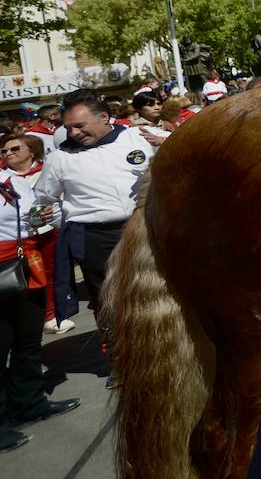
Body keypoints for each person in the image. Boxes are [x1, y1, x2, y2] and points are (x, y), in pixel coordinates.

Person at [33, 91, 156, 325]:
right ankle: (117, 353)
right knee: (112, 304)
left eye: (79, 125)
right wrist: (39, 223)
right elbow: (40, 203)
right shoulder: (59, 158)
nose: (73, 133)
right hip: (95, 240)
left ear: (104, 117)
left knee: (159, 291)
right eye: (67, 128)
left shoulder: (139, 137)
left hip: (146, 228)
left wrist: (165, 142)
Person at [0, 173, 79, 453]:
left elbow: (35, 222)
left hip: (24, 262)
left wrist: (42, 216)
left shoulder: (13, 180)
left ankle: (31, 404)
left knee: (28, 341)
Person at [0, 135, 69, 334]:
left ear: (32, 151)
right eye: (5, 151)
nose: (9, 154)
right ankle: (43, 316)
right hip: (21, 238)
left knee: (53, 273)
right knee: (24, 277)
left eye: (15, 149)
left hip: (50, 231)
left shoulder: (47, 170)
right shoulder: (5, 178)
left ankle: (55, 313)